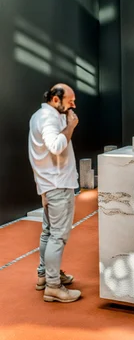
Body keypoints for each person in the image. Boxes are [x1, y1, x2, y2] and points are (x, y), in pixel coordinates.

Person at [28, 83, 81, 303]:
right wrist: (71, 126)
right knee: (57, 235)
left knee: (49, 232)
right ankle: (52, 286)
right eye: (70, 101)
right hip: (57, 185)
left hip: (51, 184)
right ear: (56, 100)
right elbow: (57, 145)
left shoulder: (41, 115)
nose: (73, 106)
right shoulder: (48, 118)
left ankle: (45, 275)